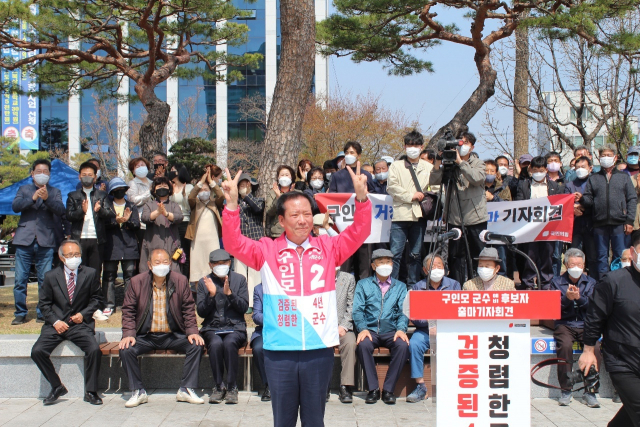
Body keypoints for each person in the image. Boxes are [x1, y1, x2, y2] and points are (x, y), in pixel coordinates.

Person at [221, 163, 371, 427]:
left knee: (315, 420)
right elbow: (234, 243)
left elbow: (360, 233)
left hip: (319, 348)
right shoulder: (266, 250)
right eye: (295, 215)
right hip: (280, 350)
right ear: (281, 220)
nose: (303, 220)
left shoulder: (328, 246)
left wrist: (361, 199)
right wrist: (232, 206)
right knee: (284, 421)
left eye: (307, 214)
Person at [119, 248, 205, 407]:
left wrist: (192, 331)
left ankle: (186, 389)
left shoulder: (180, 281)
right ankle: (138, 391)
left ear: (170, 264)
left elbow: (188, 308)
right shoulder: (137, 282)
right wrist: (129, 333)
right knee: (126, 349)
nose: (162, 265)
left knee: (196, 345)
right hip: (146, 336)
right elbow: (128, 310)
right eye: (157, 262)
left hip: (173, 335)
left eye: (165, 262)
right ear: (149, 265)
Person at [31, 239, 103, 405]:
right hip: (56, 325)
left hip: (79, 325)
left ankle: (91, 391)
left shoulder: (90, 273)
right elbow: (44, 304)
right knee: (37, 351)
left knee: (94, 350)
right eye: (70, 255)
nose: (74, 257)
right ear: (62, 257)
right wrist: (55, 321)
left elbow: (97, 299)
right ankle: (56, 386)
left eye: (77, 254)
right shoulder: (50, 276)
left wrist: (83, 314)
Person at [579, 232, 640, 427]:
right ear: (632, 252)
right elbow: (595, 317)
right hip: (624, 361)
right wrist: (588, 350)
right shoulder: (613, 281)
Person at [11, 159, 67, 325]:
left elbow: (60, 210)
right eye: (39, 171)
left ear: (49, 174)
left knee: (44, 280)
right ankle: (20, 312)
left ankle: (42, 312)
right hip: (24, 240)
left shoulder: (55, 191)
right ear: (32, 173)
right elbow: (15, 206)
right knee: (20, 279)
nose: (42, 174)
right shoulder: (24, 189)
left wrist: (47, 199)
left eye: (45, 172)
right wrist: (33, 198)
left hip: (46, 240)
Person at [430, 132, 488, 284]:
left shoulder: (478, 163)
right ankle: (457, 286)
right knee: (455, 256)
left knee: (478, 255)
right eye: (459, 142)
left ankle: (477, 286)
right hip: (454, 219)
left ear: (472, 147)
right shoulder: (449, 164)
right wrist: (438, 162)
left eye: (465, 142)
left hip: (475, 219)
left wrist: (460, 162)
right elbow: (434, 181)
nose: (461, 145)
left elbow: (477, 178)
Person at [353, 249, 409, 404]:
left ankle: (389, 390)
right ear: (373, 265)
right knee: (363, 345)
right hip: (370, 330)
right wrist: (362, 328)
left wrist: (401, 329)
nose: (385, 265)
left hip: (391, 331)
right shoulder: (363, 285)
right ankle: (373, 389)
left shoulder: (400, 287)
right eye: (381, 262)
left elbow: (403, 311)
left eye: (388, 262)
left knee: (403, 346)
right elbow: (358, 309)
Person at [547, 248, 599, 407]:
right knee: (565, 346)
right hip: (565, 324)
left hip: (585, 324)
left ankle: (590, 391)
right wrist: (567, 300)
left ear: (583, 265)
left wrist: (579, 298)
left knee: (595, 348)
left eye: (579, 264)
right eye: (572, 264)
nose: (576, 267)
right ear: (566, 265)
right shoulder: (556, 282)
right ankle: (566, 390)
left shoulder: (591, 283)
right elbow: (552, 307)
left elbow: (594, 306)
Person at [197, 249, 249, 404]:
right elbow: (201, 312)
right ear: (210, 265)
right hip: (212, 328)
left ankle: (232, 387)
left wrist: (230, 294)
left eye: (224, 263)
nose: (221, 266)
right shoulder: (203, 282)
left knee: (229, 342)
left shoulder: (239, 280)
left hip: (235, 327)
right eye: (217, 263)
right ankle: (219, 386)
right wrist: (211, 295)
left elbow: (244, 308)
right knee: (215, 343)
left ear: (230, 263)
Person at [407, 253, 460, 403]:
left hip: (448, 329)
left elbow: (457, 310)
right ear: (425, 269)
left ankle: (451, 385)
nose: (436, 269)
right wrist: (430, 323)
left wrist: (440, 324)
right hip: (424, 330)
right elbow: (415, 315)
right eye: (432, 266)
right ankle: (421, 387)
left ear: (444, 268)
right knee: (415, 344)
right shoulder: (418, 287)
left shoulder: (454, 285)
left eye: (439, 266)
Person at [579, 144, 637, 278]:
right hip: (599, 224)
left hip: (619, 224)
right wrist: (582, 199)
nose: (606, 158)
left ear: (615, 158)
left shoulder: (623, 177)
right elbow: (589, 200)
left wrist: (629, 220)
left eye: (609, 155)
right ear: (599, 159)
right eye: (603, 156)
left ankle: (619, 283)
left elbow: (632, 199)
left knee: (619, 256)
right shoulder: (594, 178)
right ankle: (603, 284)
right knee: (601, 257)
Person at [387, 130, 433, 285]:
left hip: (419, 216)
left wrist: (425, 195)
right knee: (395, 254)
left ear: (421, 147)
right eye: (409, 145)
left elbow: (436, 188)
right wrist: (411, 195)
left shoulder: (429, 167)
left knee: (415, 254)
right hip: (400, 216)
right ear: (405, 146)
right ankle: (392, 285)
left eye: (416, 145)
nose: (412, 148)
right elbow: (392, 187)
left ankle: (412, 285)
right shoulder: (396, 165)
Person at [328, 141, 376, 281]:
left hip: (363, 229)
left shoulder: (366, 175)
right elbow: (332, 199)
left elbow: (374, 197)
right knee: (345, 268)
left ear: (358, 155)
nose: (349, 155)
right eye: (347, 153)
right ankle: (343, 299)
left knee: (364, 267)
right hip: (344, 229)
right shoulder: (337, 176)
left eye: (352, 153)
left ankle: (363, 298)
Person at [516, 156, 563, 289]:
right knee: (529, 256)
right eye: (535, 170)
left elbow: (559, 205)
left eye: (541, 170)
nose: (538, 173)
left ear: (546, 170)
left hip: (548, 228)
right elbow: (520, 203)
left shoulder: (554, 186)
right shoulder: (524, 185)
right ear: (530, 170)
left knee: (547, 256)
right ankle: (528, 283)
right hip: (529, 228)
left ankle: (546, 283)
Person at [65, 161, 115, 276]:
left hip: (97, 238)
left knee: (95, 272)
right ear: (79, 177)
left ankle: (95, 294)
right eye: (84, 175)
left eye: (90, 175)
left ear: (95, 177)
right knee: (79, 271)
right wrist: (81, 211)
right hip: (79, 238)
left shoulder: (102, 195)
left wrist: (100, 210)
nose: (87, 177)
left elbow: (110, 214)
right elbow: (69, 216)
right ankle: (81, 294)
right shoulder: (73, 195)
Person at [102, 178, 140, 318]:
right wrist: (115, 222)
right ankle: (109, 304)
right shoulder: (107, 206)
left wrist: (126, 221)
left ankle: (129, 305)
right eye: (116, 190)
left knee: (129, 276)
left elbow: (136, 224)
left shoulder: (132, 206)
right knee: (109, 276)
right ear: (112, 191)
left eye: (122, 189)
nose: (120, 192)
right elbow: (103, 224)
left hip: (129, 246)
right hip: (111, 246)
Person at [187, 168, 224, 287]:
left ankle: (214, 291)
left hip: (212, 240)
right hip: (197, 241)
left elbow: (220, 195)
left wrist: (211, 182)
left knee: (213, 267)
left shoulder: (214, 203)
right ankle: (199, 295)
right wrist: (201, 182)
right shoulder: (195, 204)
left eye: (206, 189)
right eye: (201, 190)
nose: (203, 192)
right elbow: (191, 197)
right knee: (198, 269)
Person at [140, 177, 184, 273]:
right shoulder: (149, 205)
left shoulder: (174, 205)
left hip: (171, 243)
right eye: (159, 186)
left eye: (165, 186)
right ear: (154, 190)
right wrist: (158, 212)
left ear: (169, 189)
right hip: (152, 241)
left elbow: (179, 217)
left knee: (173, 270)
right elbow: (145, 218)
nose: (162, 188)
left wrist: (166, 214)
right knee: (150, 269)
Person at [235, 173, 265, 306]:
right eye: (241, 185)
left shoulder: (259, 200)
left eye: (247, 185)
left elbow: (257, 209)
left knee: (255, 273)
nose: (244, 187)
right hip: (239, 241)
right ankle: (242, 301)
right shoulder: (234, 203)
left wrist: (247, 196)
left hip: (255, 240)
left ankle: (254, 302)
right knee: (240, 272)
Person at [566, 156, 598, 278]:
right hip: (575, 225)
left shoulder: (595, 182)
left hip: (592, 224)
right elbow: (566, 202)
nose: (580, 169)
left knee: (593, 257)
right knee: (574, 255)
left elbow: (597, 201)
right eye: (577, 167)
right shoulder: (570, 184)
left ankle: (593, 281)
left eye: (583, 167)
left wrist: (583, 207)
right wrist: (573, 208)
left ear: (590, 168)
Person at [335, 267, 357, 404]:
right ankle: (322, 386)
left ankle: (346, 386)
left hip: (342, 326)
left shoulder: (348, 278)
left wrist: (343, 325)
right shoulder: (314, 276)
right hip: (320, 327)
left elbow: (352, 305)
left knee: (350, 343)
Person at [168, 165, 193, 278]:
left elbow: (189, 207)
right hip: (171, 221)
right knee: (172, 251)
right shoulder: (169, 186)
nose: (172, 172)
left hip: (184, 221)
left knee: (184, 252)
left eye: (174, 170)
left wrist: (184, 195)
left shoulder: (188, 187)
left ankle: (184, 278)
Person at [127, 157, 153, 251]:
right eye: (137, 166)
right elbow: (133, 201)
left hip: (154, 220)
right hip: (141, 222)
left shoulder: (152, 183)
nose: (141, 167)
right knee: (143, 249)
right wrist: (149, 192)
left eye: (143, 165)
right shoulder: (132, 183)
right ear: (133, 171)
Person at [265, 165, 297, 239]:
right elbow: (269, 212)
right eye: (282, 175)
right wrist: (278, 198)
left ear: (291, 177)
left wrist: (291, 196)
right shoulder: (272, 193)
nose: (284, 177)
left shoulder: (298, 193)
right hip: (278, 233)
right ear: (278, 178)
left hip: (295, 230)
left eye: (287, 175)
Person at [250, 283, 270, 401]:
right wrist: (275, 318)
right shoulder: (259, 289)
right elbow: (256, 316)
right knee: (258, 348)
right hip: (265, 329)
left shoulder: (290, 286)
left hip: (287, 329)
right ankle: (268, 385)